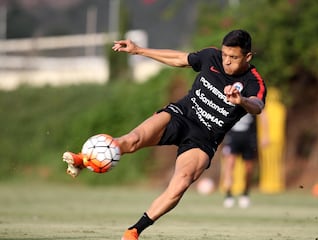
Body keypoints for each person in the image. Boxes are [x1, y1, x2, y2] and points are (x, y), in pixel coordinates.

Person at [62, 29, 266, 240]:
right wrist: (139, 50)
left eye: (233, 57)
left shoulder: (254, 82)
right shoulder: (210, 56)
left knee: (181, 182)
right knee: (132, 141)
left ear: (247, 57)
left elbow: (258, 106)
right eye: (225, 55)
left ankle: (134, 231)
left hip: (204, 138)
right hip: (181, 115)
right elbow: (179, 59)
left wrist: (241, 100)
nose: (226, 61)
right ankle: (82, 159)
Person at [221, 112, 266, 208]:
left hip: (249, 137)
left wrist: (265, 134)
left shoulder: (252, 98)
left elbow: (262, 113)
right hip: (232, 137)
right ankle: (229, 195)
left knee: (249, 169)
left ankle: (245, 194)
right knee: (229, 164)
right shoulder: (230, 98)